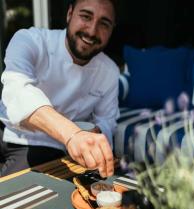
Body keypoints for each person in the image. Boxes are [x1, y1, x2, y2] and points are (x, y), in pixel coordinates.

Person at [0, 0, 120, 178]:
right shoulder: (30, 40)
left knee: (14, 196)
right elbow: (18, 90)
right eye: (86, 16)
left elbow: (107, 121)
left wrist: (97, 132)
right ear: (70, 14)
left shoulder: (109, 71)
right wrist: (72, 134)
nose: (92, 31)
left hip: (43, 144)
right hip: (5, 125)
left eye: (104, 23)